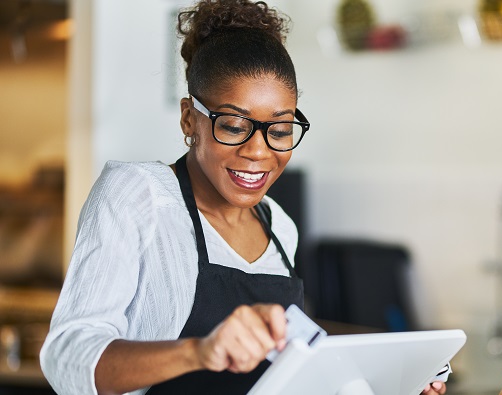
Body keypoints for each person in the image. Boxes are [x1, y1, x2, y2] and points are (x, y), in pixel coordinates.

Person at [39, 1, 447, 394]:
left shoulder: (279, 225)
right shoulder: (139, 195)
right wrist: (199, 351)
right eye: (234, 126)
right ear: (189, 118)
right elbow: (66, 359)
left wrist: (397, 381)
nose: (258, 151)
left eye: (281, 130)